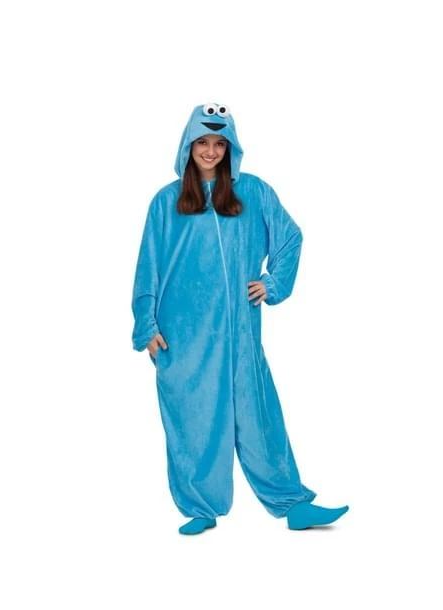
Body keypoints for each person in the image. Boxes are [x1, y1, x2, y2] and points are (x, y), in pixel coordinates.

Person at [131, 102, 349, 535]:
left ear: (231, 147)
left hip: (241, 334)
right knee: (194, 423)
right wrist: (146, 325)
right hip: (184, 338)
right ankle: (200, 508)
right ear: (188, 145)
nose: (210, 151)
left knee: (258, 418)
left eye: (220, 143)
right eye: (202, 142)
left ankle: (292, 504)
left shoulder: (254, 192)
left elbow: (289, 238)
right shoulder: (167, 202)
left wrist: (272, 283)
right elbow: (148, 266)